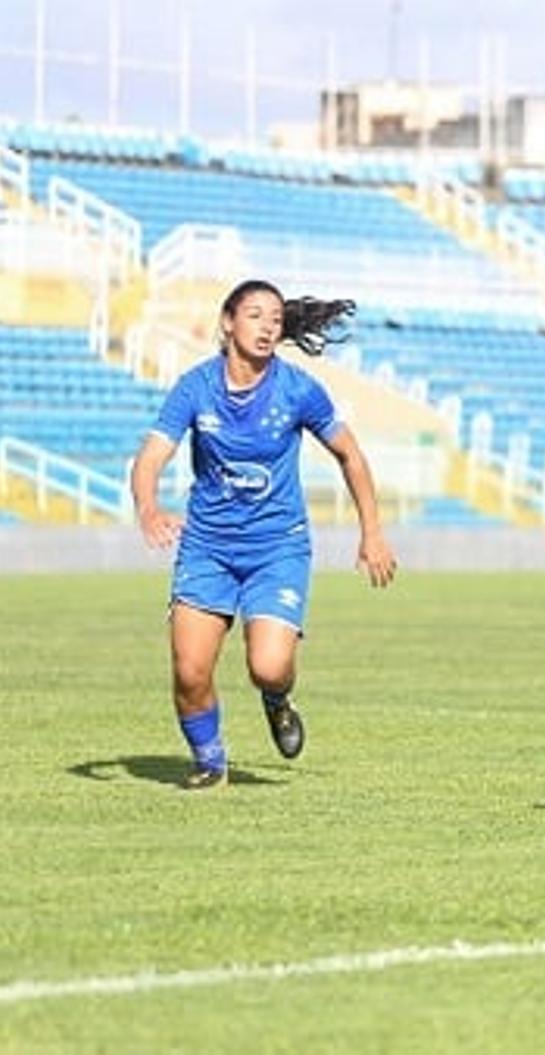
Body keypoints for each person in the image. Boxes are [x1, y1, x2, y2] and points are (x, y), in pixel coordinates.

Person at [130, 279, 397, 791]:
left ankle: (277, 701)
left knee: (269, 667)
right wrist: (147, 507)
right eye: (255, 315)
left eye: (275, 318)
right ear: (228, 323)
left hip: (277, 548)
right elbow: (152, 454)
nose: (268, 326)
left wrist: (373, 533)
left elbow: (350, 454)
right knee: (189, 673)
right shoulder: (195, 387)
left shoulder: (297, 389)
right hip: (207, 547)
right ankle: (210, 762)